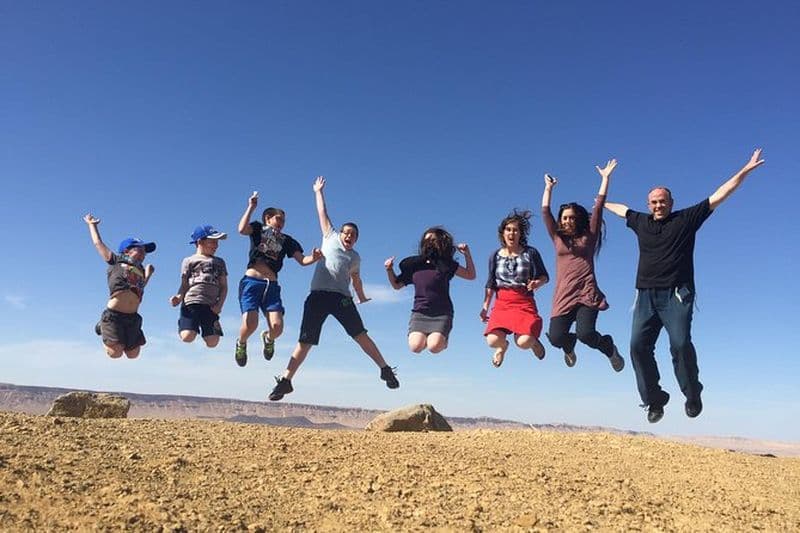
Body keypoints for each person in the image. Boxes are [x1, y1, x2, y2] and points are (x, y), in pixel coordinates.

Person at [605, 149, 765, 423]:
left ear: (671, 202)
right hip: (645, 295)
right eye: (654, 202)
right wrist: (600, 201)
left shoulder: (685, 219)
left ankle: (692, 393)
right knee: (637, 347)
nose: (658, 205)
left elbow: (720, 195)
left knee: (679, 344)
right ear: (648, 204)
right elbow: (621, 210)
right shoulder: (640, 222)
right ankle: (654, 400)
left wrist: (744, 171)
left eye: (662, 201)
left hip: (676, 294)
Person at [269, 176, 400, 401]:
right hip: (318, 297)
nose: (349, 236)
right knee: (305, 341)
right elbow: (323, 212)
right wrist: (318, 192)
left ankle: (385, 369)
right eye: (346, 232)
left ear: (356, 239)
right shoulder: (329, 237)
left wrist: (362, 296)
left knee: (360, 334)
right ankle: (285, 380)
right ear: (340, 233)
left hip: (342, 298)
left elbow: (356, 279)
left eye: (353, 235)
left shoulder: (355, 257)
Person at [541, 160, 625, 372]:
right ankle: (569, 346)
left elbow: (598, 207)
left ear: (577, 219)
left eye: (571, 218)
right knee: (556, 338)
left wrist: (605, 178)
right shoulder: (558, 238)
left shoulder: (589, 235)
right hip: (564, 294)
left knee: (586, 334)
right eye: (564, 218)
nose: (567, 221)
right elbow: (545, 212)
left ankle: (608, 347)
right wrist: (548, 189)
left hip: (586, 293)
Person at [235, 191, 321, 367]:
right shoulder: (258, 229)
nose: (281, 223)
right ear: (268, 218)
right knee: (251, 324)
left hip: (272, 286)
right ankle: (241, 343)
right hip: (252, 282)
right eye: (278, 219)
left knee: (277, 328)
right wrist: (251, 207)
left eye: (284, 221)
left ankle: (268, 338)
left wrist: (314, 257)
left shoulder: (287, 240)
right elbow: (242, 229)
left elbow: (302, 260)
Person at [385, 227, 476, 354]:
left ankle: (443, 340)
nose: (429, 243)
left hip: (442, 313)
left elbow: (470, 275)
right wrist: (389, 269)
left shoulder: (446, 265)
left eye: (433, 240)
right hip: (420, 312)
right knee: (415, 347)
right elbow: (396, 285)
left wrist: (467, 254)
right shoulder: (415, 265)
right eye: (427, 241)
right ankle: (433, 339)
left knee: (434, 346)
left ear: (441, 243)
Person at [480, 210, 549, 368]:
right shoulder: (495, 256)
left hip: (523, 301)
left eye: (515, 230)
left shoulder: (530, 253)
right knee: (492, 340)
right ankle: (502, 347)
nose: (511, 233)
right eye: (508, 229)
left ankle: (533, 342)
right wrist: (485, 307)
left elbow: (545, 276)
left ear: (520, 233)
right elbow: (490, 284)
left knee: (523, 342)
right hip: (502, 303)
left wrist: (537, 283)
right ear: (503, 233)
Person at [84, 213, 155, 359]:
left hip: (133, 317)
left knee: (133, 354)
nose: (144, 254)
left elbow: (140, 288)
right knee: (115, 353)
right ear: (126, 250)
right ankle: (102, 327)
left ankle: (115, 335)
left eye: (145, 252)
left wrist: (148, 275)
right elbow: (98, 244)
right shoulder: (116, 260)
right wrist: (92, 225)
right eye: (140, 250)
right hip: (114, 315)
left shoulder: (140, 270)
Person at [170, 225, 229, 348]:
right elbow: (184, 284)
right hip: (192, 302)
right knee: (187, 337)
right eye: (212, 242)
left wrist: (219, 305)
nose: (216, 245)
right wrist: (179, 297)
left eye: (217, 242)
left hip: (211, 306)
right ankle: (185, 324)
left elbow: (224, 286)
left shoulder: (219, 262)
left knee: (213, 342)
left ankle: (204, 328)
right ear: (200, 242)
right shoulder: (188, 260)